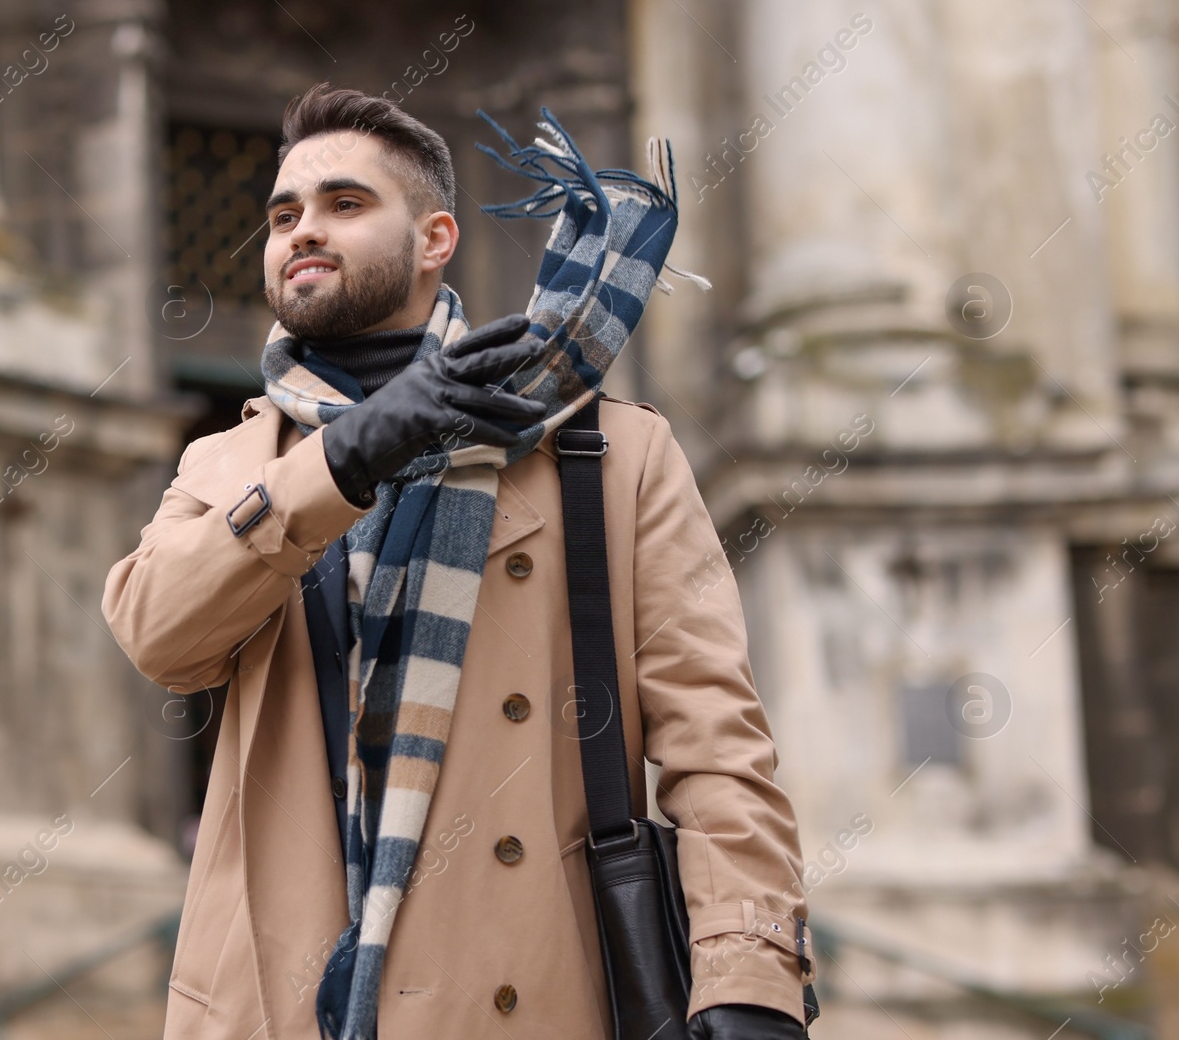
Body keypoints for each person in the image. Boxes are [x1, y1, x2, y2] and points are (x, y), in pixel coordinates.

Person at [103, 83, 815, 1040]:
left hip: (528, 996)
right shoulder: (226, 465)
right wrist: (345, 461)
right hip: (281, 1008)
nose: (303, 230)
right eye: (284, 214)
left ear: (435, 238)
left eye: (345, 204)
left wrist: (748, 973)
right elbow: (160, 636)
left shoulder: (608, 451)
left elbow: (717, 746)